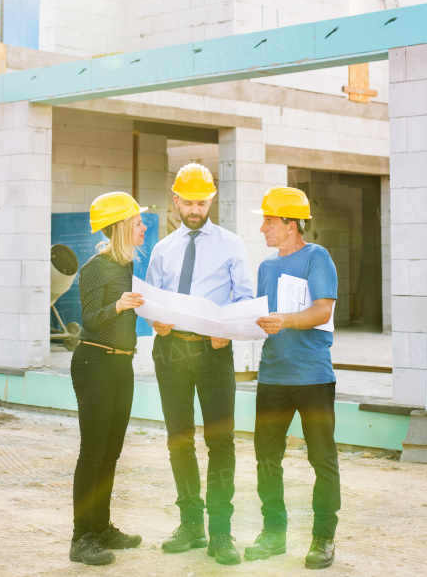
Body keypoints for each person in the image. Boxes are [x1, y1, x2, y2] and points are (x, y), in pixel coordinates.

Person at [144, 163, 254, 565]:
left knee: (220, 441)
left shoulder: (231, 244)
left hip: (213, 351)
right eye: (188, 202)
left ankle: (221, 533)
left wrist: (230, 326)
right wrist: (154, 317)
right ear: (176, 200)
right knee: (179, 439)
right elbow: (153, 297)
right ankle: (191, 524)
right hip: (171, 349)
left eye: (202, 202)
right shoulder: (163, 249)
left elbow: (244, 297)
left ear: (212, 200)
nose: (195, 209)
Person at [244, 186, 340, 570]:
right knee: (266, 456)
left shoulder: (318, 258)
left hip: (312, 377)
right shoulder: (267, 267)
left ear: (291, 223)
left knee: (322, 458)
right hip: (273, 377)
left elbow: (321, 311)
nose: (263, 228)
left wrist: (285, 320)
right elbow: (265, 317)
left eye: (269, 220)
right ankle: (273, 533)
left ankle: (323, 537)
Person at [69, 191, 149, 566]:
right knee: (93, 453)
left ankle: (100, 527)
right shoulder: (96, 267)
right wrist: (119, 305)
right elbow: (89, 320)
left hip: (122, 365)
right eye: (138, 223)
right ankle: (81, 536)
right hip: (94, 364)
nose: (144, 228)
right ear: (121, 227)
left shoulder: (130, 266)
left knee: (112, 453)